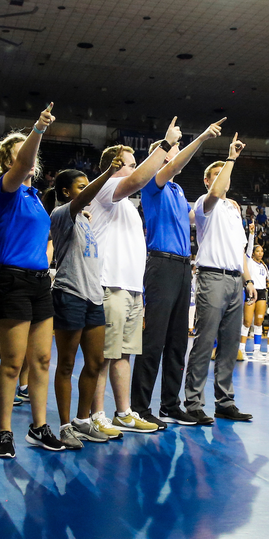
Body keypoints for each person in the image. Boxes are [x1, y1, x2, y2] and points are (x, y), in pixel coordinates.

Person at [132, 117, 226, 426]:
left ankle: (169, 405)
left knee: (177, 342)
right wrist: (196, 139)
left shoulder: (177, 189)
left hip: (185, 265)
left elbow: (201, 209)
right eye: (174, 150)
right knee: (154, 340)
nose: (178, 153)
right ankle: (140, 407)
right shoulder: (153, 183)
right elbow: (169, 167)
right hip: (161, 264)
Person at [0, 104, 64, 456]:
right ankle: (4, 432)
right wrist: (38, 129)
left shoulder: (36, 199)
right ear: (9, 161)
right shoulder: (7, 191)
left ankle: (38, 426)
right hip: (11, 282)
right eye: (22, 153)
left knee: (42, 360)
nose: (30, 158)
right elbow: (21, 165)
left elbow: (44, 240)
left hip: (38, 283)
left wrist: (44, 263)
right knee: (13, 361)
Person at [88, 133, 172, 434]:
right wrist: (163, 149)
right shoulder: (106, 188)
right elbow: (137, 180)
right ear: (113, 166)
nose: (138, 168)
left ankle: (123, 413)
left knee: (123, 355)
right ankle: (95, 414)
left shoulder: (129, 208)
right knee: (102, 355)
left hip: (132, 289)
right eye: (131, 163)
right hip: (110, 285)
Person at [49, 163, 124, 445]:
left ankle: (82, 421)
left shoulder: (85, 218)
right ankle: (65, 425)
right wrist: (107, 174)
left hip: (93, 296)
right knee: (66, 364)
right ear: (66, 192)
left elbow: (83, 202)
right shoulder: (61, 214)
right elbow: (81, 199)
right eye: (81, 186)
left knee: (95, 362)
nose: (85, 190)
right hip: (70, 294)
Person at [184, 135, 255, 423]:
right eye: (216, 177)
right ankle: (193, 402)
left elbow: (240, 250)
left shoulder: (234, 210)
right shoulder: (205, 203)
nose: (223, 181)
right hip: (212, 277)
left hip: (235, 279)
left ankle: (225, 402)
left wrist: (249, 281)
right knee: (204, 342)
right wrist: (231, 158)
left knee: (229, 345)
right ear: (207, 182)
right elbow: (217, 191)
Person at [243, 223, 269, 355]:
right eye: (257, 251)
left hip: (262, 293)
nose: (260, 253)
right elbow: (248, 248)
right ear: (253, 253)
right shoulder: (249, 260)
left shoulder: (264, 266)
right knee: (247, 321)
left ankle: (257, 350)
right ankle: (241, 349)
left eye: (261, 251)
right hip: (250, 291)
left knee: (259, 321)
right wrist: (252, 233)